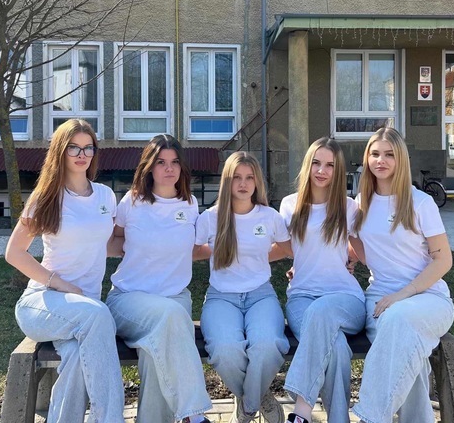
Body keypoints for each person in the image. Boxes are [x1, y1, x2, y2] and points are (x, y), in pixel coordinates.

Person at [4, 119, 124, 423]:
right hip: (42, 302)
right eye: (74, 148)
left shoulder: (105, 196)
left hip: (85, 310)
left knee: (75, 358)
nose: (82, 154)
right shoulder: (46, 196)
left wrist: (157, 245)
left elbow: (107, 244)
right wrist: (58, 282)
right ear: (60, 151)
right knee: (99, 316)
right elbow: (14, 252)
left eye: (88, 148)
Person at [105, 134, 213, 423]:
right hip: (129, 299)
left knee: (155, 355)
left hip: (174, 298)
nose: (169, 168)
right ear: (149, 167)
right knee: (170, 317)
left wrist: (228, 249)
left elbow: (191, 249)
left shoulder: (189, 204)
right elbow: (114, 241)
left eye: (175, 162)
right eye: (161, 162)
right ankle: (195, 415)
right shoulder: (132, 201)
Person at [350, 127, 454, 423]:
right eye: (374, 154)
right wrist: (347, 259)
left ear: (401, 160)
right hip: (380, 300)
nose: (380, 160)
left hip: (428, 299)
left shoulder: (420, 202)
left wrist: (403, 294)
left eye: (389, 154)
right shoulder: (361, 203)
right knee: (410, 355)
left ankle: (370, 417)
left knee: (398, 320)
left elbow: (443, 259)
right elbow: (356, 244)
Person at [195, 152, 291, 423]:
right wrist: (220, 252)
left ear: (257, 181)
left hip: (261, 295)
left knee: (268, 344)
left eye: (249, 177)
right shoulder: (210, 218)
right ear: (227, 181)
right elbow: (191, 251)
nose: (243, 183)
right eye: (236, 177)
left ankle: (247, 405)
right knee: (225, 350)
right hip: (221, 297)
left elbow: (289, 249)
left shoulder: (269, 217)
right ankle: (259, 398)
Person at [275, 137, 366, 423]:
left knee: (321, 312)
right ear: (307, 165)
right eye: (316, 163)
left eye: (330, 165)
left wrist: (350, 258)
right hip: (302, 296)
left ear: (338, 171)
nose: (322, 171)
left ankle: (300, 412)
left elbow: (363, 249)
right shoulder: (289, 205)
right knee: (336, 348)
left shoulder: (348, 207)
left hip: (345, 299)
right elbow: (283, 247)